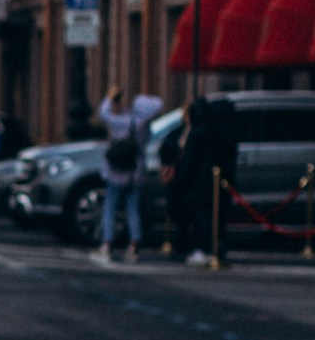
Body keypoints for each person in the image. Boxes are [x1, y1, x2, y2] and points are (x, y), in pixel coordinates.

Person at [166, 93, 238, 265]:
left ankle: (203, 249)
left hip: (199, 184)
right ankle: (216, 249)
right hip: (219, 184)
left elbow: (188, 160)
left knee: (201, 218)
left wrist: (181, 180)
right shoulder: (221, 133)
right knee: (216, 219)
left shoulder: (197, 133)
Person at [93, 86, 160, 264]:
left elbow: (103, 114)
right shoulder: (143, 125)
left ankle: (107, 244)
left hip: (115, 170)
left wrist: (110, 97)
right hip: (135, 170)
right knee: (133, 209)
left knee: (110, 208)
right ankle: (134, 245)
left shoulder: (120, 122)